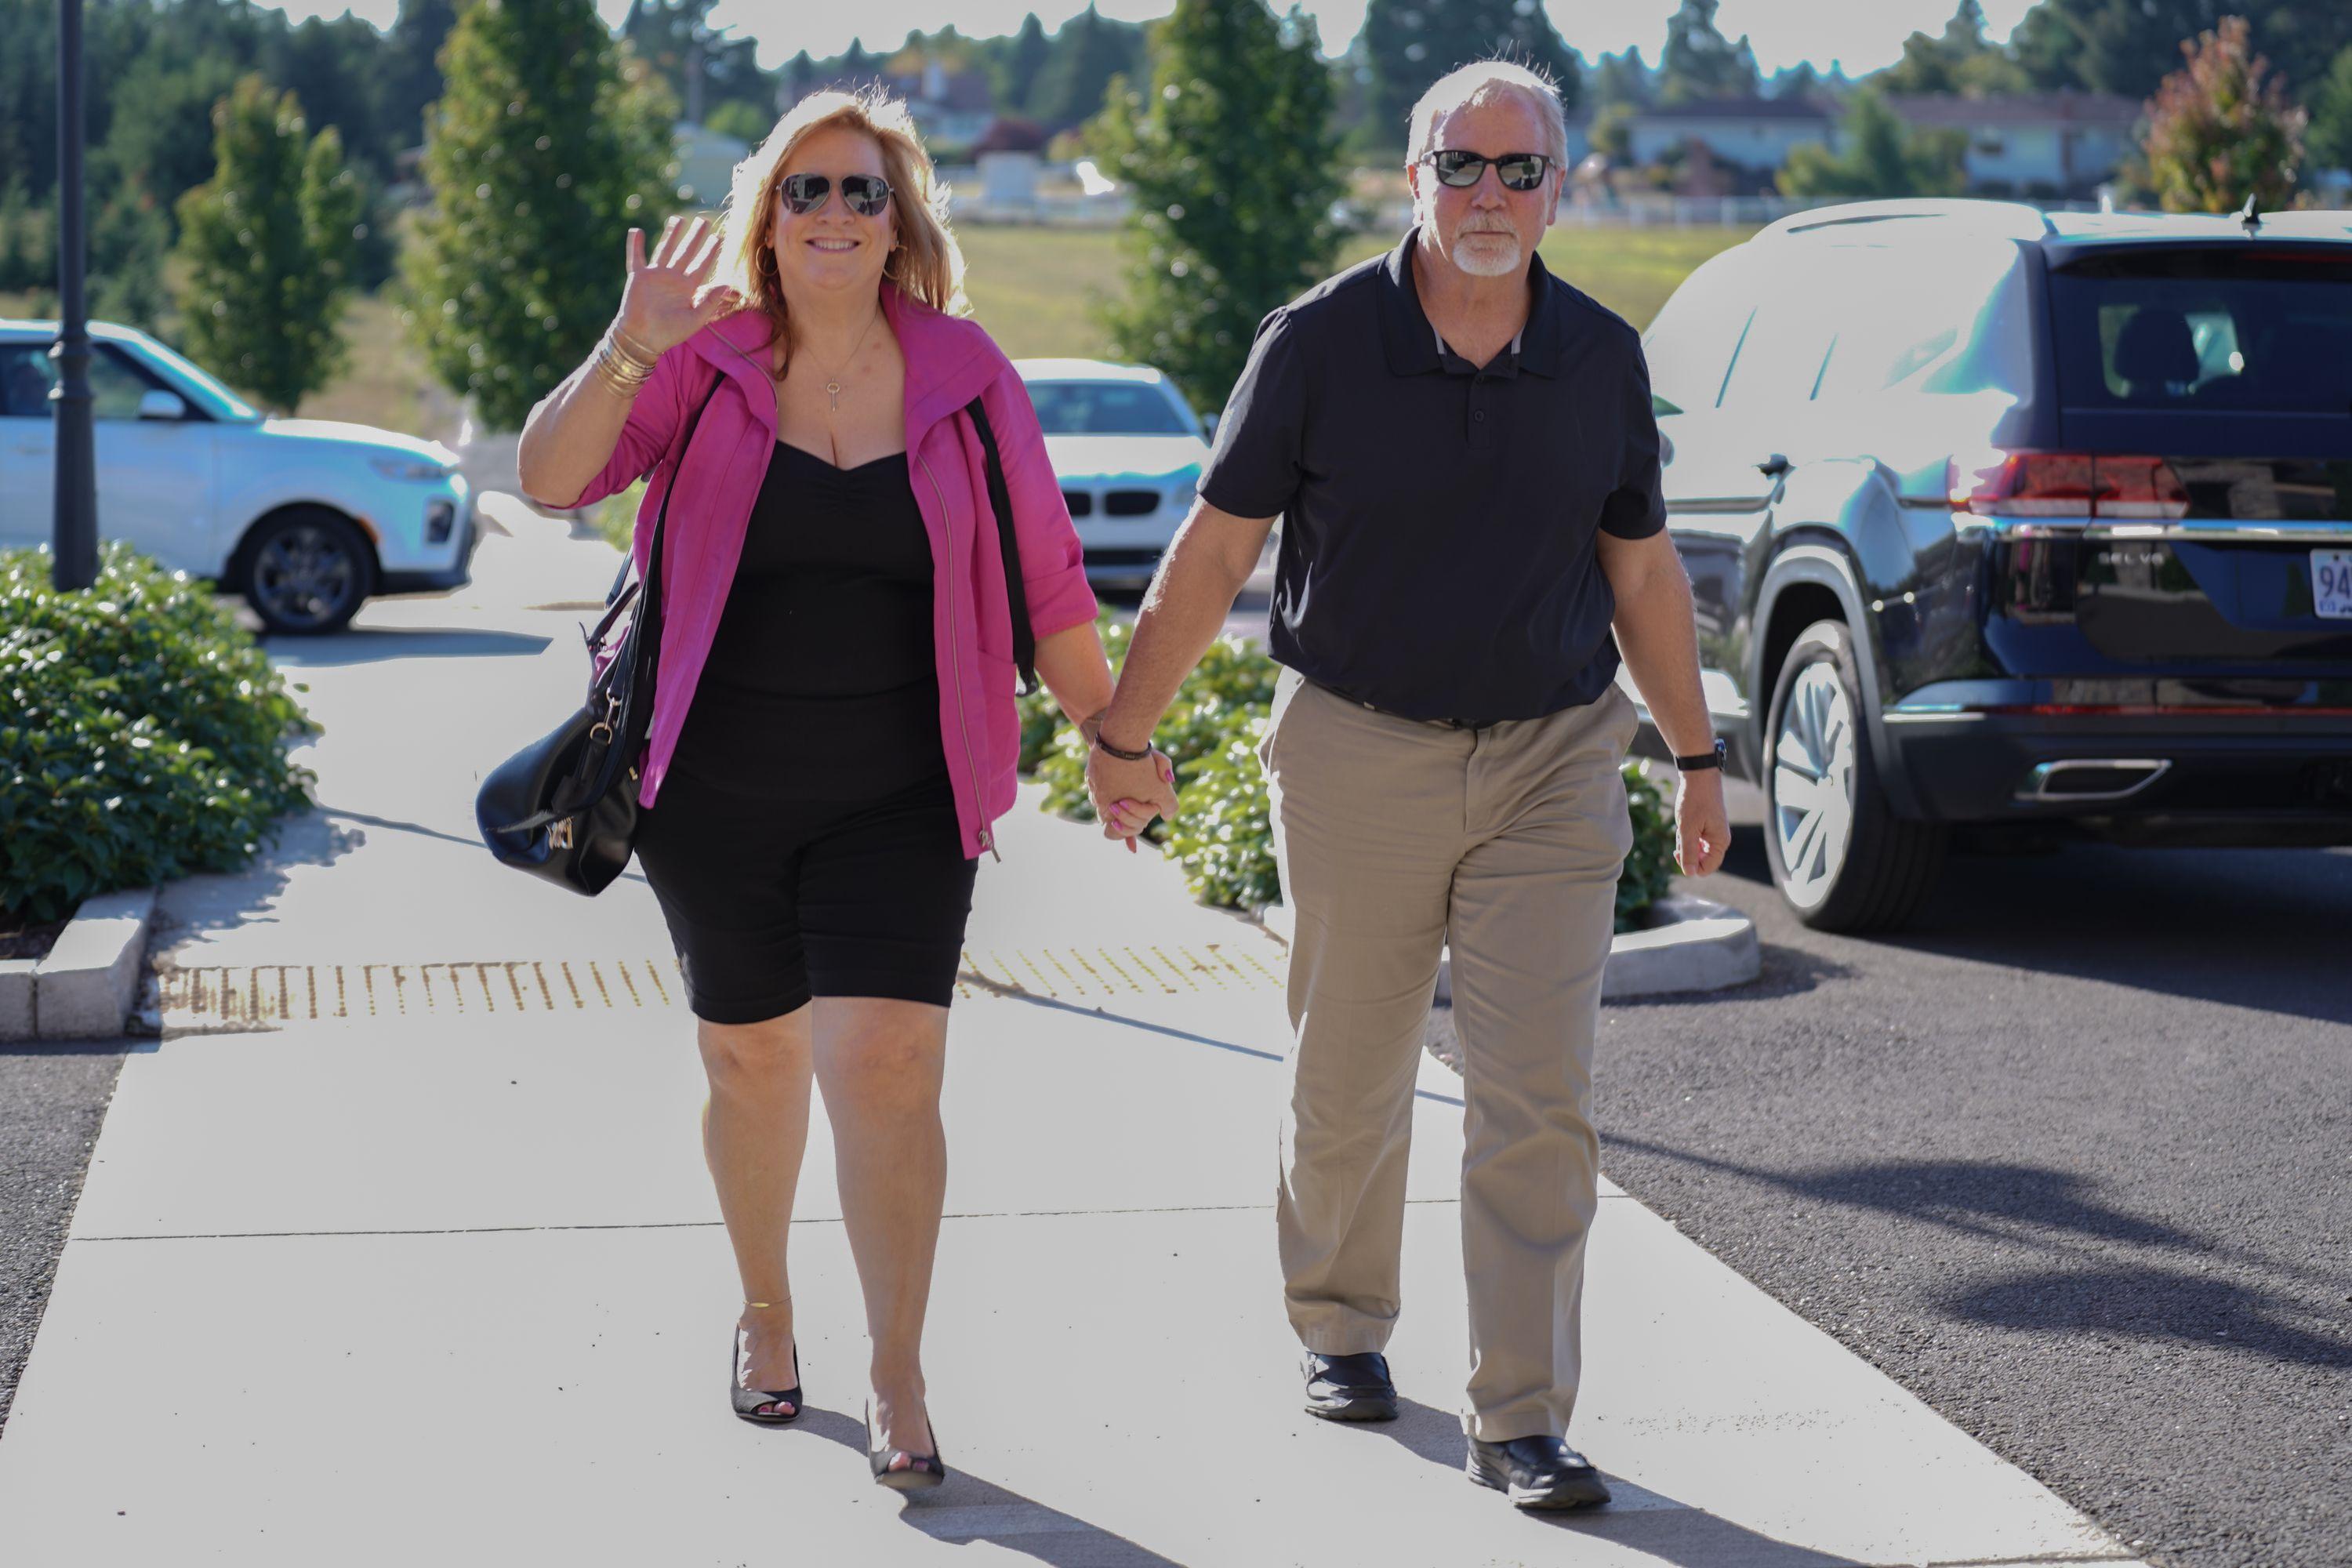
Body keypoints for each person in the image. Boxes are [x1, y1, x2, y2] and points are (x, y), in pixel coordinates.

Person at [1083, 60, 1733, 1512]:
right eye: (1464, 166)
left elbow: (1641, 568)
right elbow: (1218, 543)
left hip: (1555, 759)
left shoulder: (1602, 356)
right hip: (1359, 747)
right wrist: (1126, 731)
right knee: (1349, 1073)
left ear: (1562, 186)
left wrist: (1695, 758)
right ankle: (1340, 1320)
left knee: (1538, 1096)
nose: (1491, 195)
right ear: (1414, 173)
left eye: (1521, 170)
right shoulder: (1319, 341)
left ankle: (1524, 1416)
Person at [516, 87, 1151, 1491]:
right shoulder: (707, 360)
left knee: (888, 1062)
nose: (836, 214)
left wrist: (1111, 737)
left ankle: (898, 1370)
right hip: (715, 791)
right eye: (807, 190)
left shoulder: (968, 374)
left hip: (907, 794)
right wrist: (630, 346)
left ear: (899, 221)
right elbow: (554, 479)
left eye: (864, 191)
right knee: (750, 1060)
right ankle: (764, 1311)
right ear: (768, 217)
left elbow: (1050, 580)